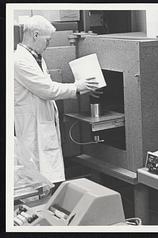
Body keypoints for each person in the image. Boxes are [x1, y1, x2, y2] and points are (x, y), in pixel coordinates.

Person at [14, 15, 99, 185]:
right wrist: (77, 87)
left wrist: (81, 88)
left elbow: (47, 87)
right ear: (36, 35)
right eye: (47, 39)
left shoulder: (36, 57)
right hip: (32, 128)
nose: (49, 43)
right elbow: (48, 90)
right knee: (37, 179)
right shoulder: (19, 61)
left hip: (42, 123)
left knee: (45, 177)